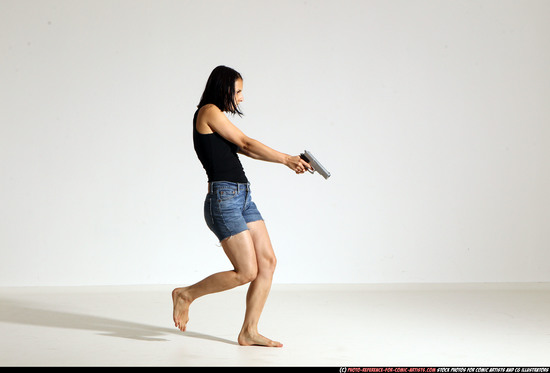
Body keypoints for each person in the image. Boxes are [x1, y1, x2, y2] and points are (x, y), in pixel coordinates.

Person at [172, 65, 311, 347]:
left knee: (268, 263)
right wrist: (286, 159)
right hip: (223, 200)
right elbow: (247, 143)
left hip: (243, 197)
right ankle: (185, 294)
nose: (241, 98)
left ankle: (249, 331)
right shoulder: (208, 112)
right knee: (246, 271)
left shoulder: (218, 118)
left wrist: (287, 159)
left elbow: (246, 149)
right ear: (223, 89)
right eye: (238, 91)